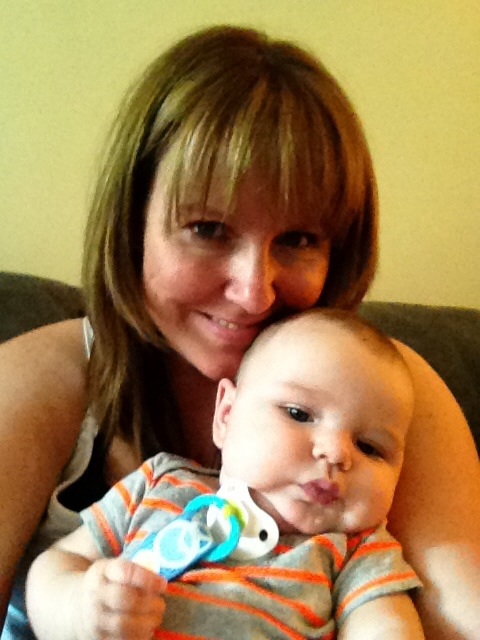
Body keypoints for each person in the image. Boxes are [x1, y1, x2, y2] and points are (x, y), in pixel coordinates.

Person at [0, 24, 479, 640]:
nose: (255, 291)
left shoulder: (391, 392)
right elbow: (55, 580)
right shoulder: (41, 382)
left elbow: (460, 614)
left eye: (298, 239)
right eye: (207, 229)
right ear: (132, 220)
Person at [26, 309, 425, 639]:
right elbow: (59, 562)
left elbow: (386, 626)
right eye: (299, 414)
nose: (337, 453)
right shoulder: (159, 484)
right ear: (226, 415)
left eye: (370, 447)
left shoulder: (356, 552)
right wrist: (79, 609)